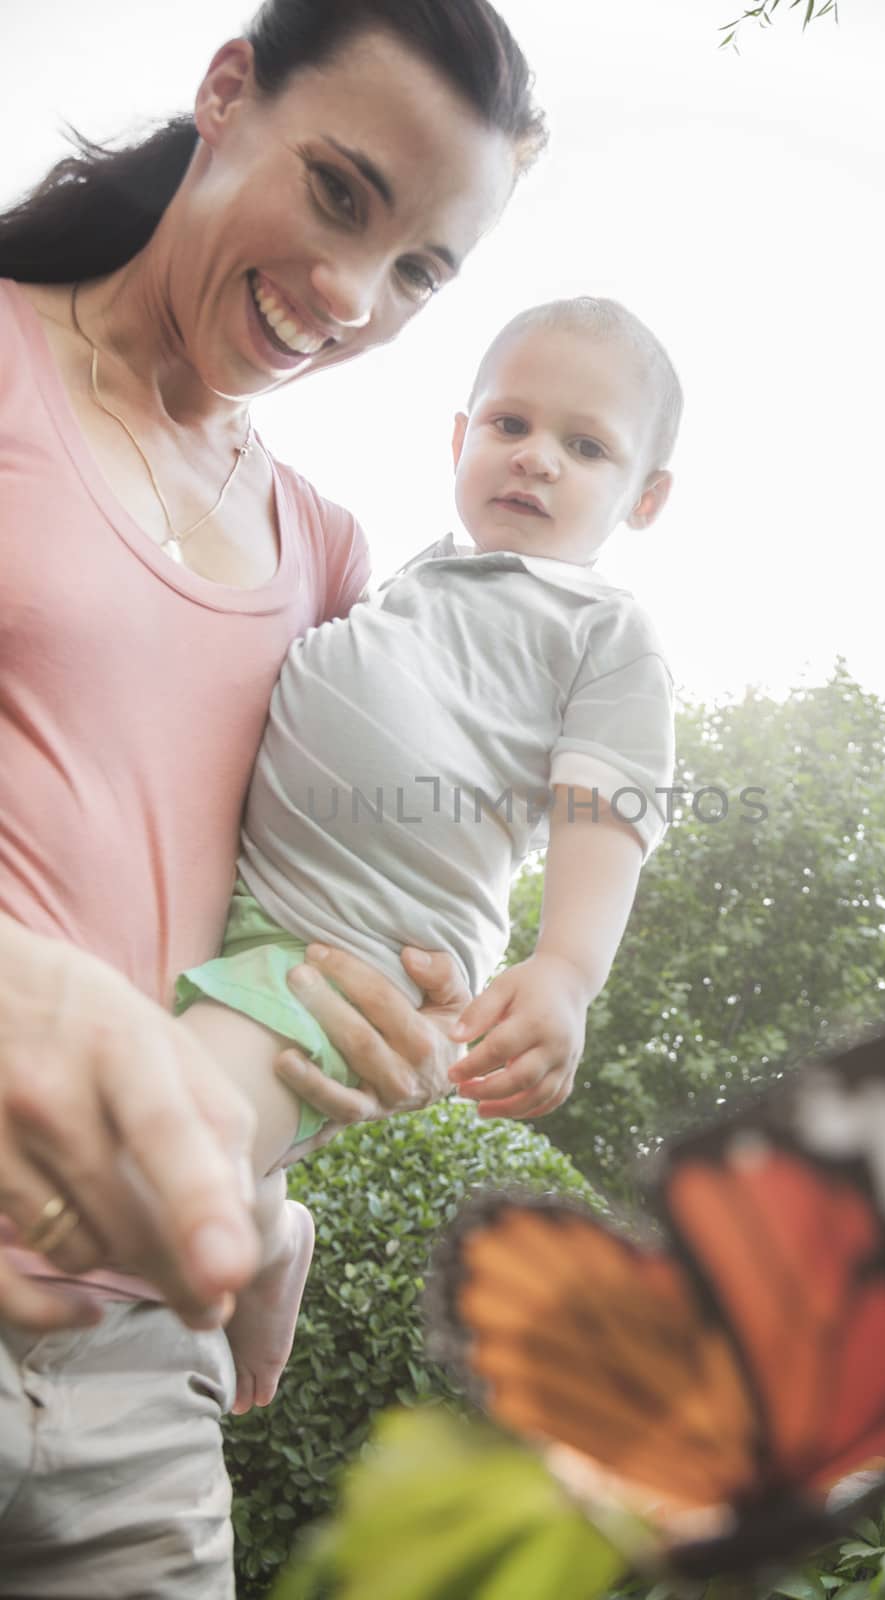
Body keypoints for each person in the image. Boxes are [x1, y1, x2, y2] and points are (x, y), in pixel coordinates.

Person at [0, 1, 545, 1592]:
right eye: (339, 196)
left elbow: (290, 930)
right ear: (226, 94)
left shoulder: (325, 555)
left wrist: (299, 1125)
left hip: (140, 1367)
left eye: (418, 273)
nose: (348, 298)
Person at [173, 295, 682, 1410]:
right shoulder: (415, 577)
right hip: (240, 906)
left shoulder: (600, 630)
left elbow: (608, 809)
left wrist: (563, 973)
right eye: (508, 424)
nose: (535, 457)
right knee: (198, 1115)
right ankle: (266, 1231)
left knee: (163, 1133)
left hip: (351, 962)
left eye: (584, 446)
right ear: (458, 440)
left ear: (642, 497)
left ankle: (241, 1248)